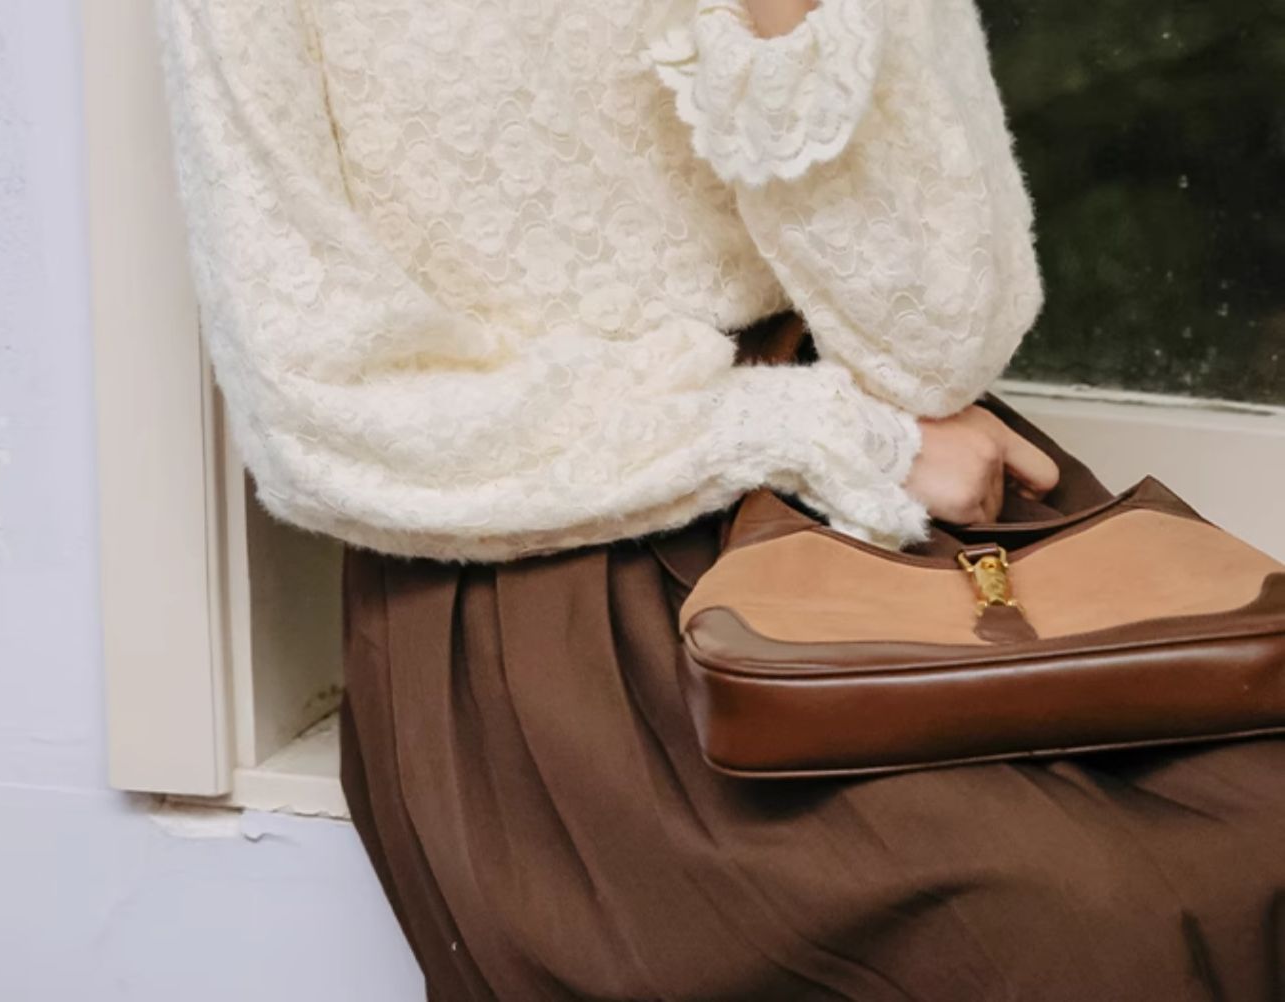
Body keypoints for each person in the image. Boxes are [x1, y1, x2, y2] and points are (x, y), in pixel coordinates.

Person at [154, 0, 1285, 997]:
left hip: (893, 512)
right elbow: (324, 410)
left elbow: (940, 344)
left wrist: (780, 23)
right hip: (543, 563)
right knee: (1068, 928)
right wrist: (819, 431)